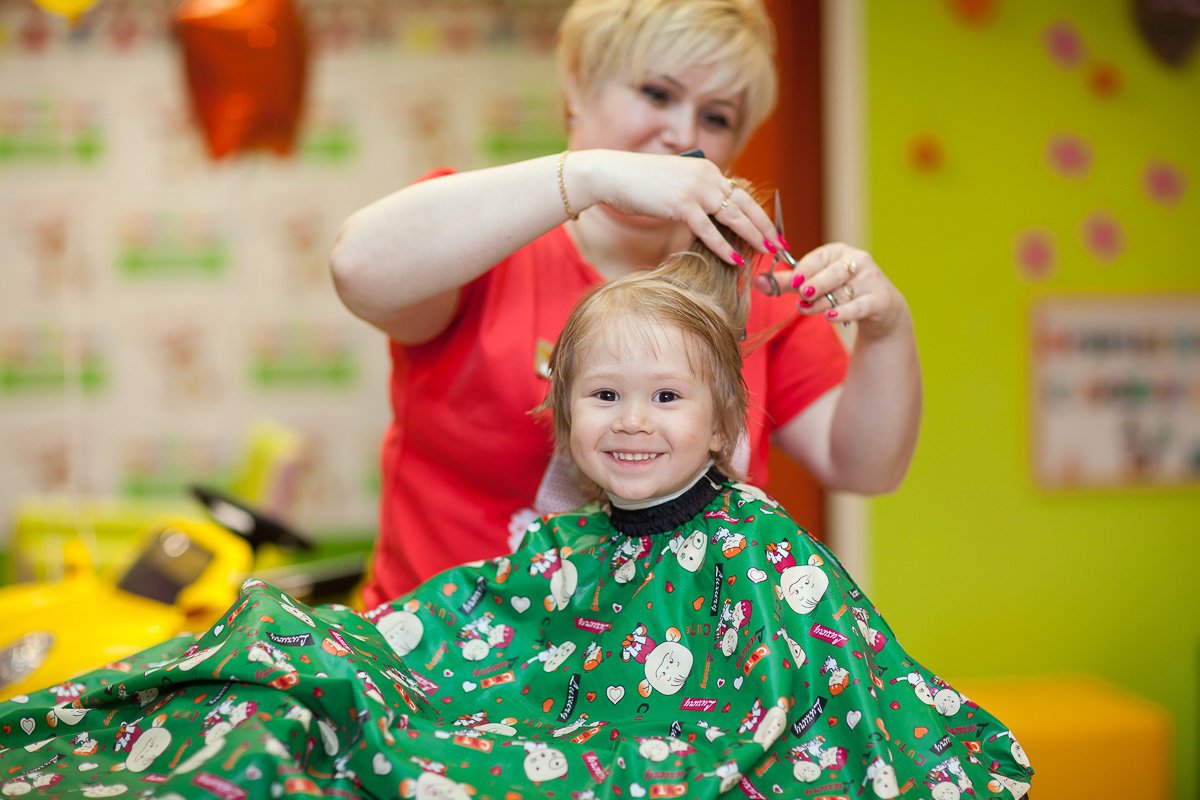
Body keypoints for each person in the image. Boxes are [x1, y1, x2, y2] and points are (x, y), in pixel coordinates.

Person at [0, 238, 1031, 800]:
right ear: (561, 412)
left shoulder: (761, 550)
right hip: (530, 722)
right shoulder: (561, 545)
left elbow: (835, 687)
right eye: (604, 396)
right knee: (287, 663)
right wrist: (346, 655)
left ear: (725, 418)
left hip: (651, 754)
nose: (633, 422)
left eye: (667, 399)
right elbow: (460, 633)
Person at [329, 0, 922, 605]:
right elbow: (356, 269)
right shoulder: (482, 240)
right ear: (578, 91)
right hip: (445, 670)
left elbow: (864, 465)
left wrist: (886, 329)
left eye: (715, 118)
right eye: (657, 94)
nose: (684, 135)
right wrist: (592, 176)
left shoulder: (754, 283)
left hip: (660, 681)